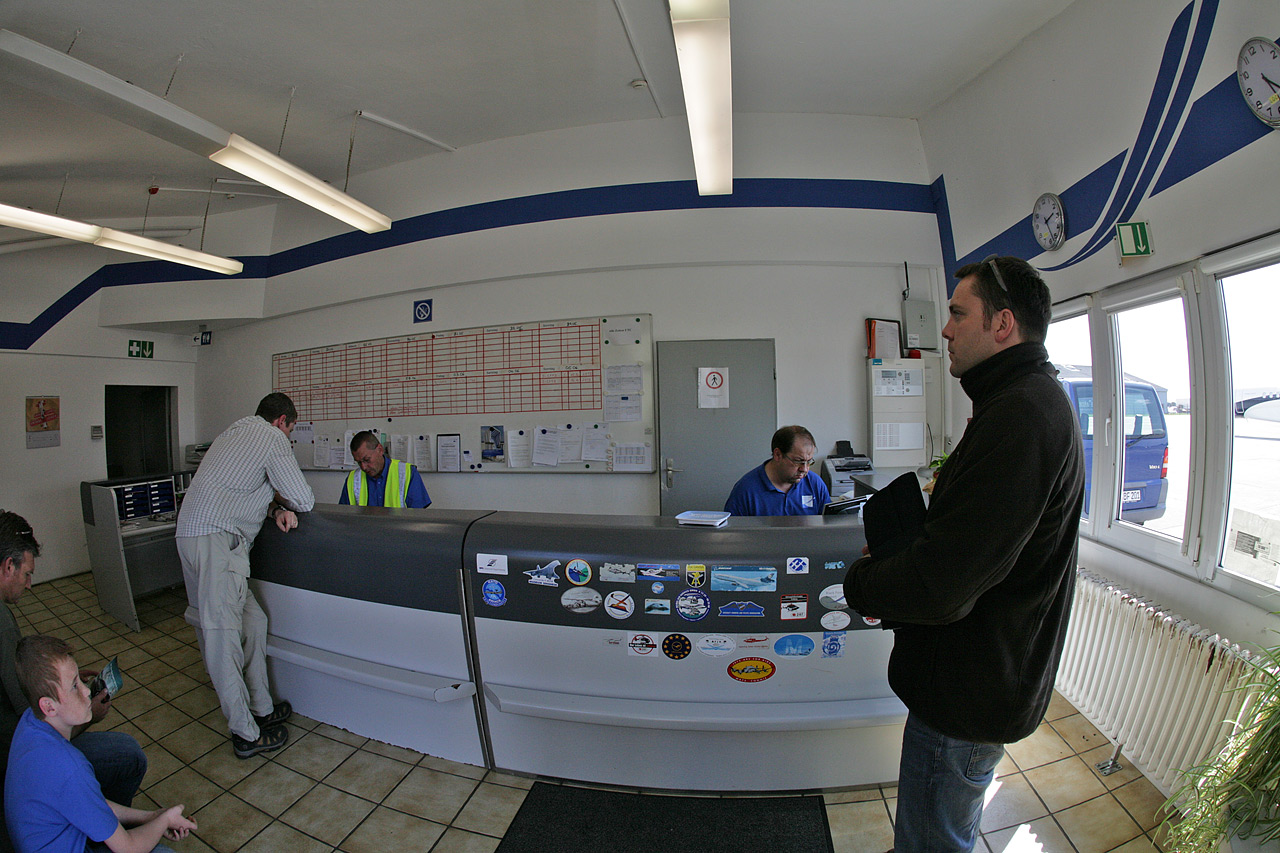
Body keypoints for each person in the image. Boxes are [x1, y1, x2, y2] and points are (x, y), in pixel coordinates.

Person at [843, 256, 1085, 853]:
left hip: (967, 696)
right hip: (971, 682)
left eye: (958, 313)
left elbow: (942, 587)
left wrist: (863, 582)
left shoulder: (1021, 414)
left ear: (1002, 324)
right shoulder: (1018, 401)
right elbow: (981, 542)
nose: (946, 330)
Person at [176, 392, 315, 759]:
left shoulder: (234, 432)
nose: (289, 437)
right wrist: (286, 503)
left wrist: (274, 510)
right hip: (217, 544)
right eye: (291, 430)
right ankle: (245, 733)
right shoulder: (271, 437)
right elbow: (304, 499)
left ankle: (261, 708)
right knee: (223, 637)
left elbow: (243, 490)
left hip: (199, 538)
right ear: (282, 421)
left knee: (253, 622)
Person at [0, 512, 147, 853]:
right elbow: (37, 715)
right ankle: (101, 835)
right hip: (16, 753)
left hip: (21, 752)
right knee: (129, 755)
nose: (29, 584)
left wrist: (65, 681)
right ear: (8, 566)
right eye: (27, 573)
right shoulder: (2, 622)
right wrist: (89, 713)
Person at [5, 635, 196, 853]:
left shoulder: (30, 720)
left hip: (44, 834)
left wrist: (151, 817)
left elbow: (90, 801)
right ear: (49, 706)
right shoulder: (70, 768)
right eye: (74, 686)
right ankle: (108, 835)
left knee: (127, 753)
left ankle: (107, 831)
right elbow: (129, 849)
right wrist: (164, 821)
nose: (86, 690)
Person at [723, 425, 831, 515]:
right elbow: (733, 532)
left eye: (809, 461)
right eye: (798, 461)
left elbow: (828, 527)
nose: (805, 469)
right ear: (778, 454)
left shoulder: (815, 484)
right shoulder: (745, 490)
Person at [338, 431, 431, 508]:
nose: (363, 467)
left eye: (367, 460)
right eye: (359, 462)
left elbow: (417, 517)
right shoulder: (353, 479)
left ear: (380, 450)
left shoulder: (407, 473)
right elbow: (344, 517)